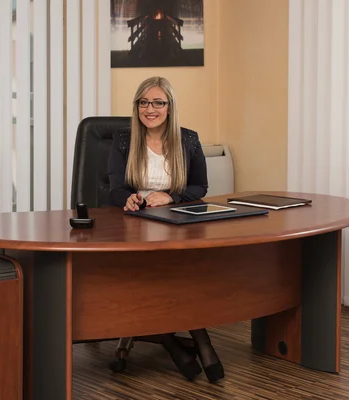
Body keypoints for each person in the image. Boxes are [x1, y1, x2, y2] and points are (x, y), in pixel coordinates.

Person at [107, 76, 224, 383]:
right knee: (146, 277)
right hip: (136, 225)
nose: (150, 109)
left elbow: (201, 186)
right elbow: (115, 188)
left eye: (158, 102)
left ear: (170, 107)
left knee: (180, 276)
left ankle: (199, 342)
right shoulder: (123, 139)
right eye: (144, 102)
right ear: (137, 106)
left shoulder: (188, 139)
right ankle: (178, 344)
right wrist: (130, 198)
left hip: (176, 223)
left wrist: (172, 196)